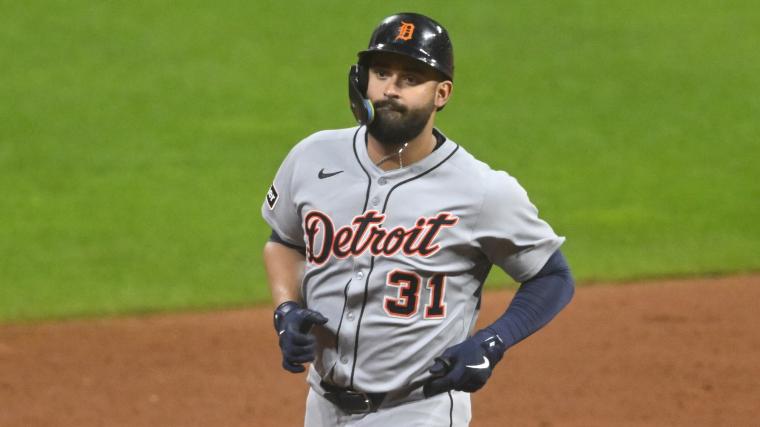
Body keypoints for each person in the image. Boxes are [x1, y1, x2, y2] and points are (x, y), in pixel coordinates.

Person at [262, 12, 574, 427]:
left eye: (410, 78)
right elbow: (285, 241)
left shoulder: (482, 190)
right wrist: (286, 309)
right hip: (322, 406)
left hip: (417, 411)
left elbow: (552, 276)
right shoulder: (312, 156)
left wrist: (492, 342)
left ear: (442, 93)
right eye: (382, 73)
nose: (390, 89)